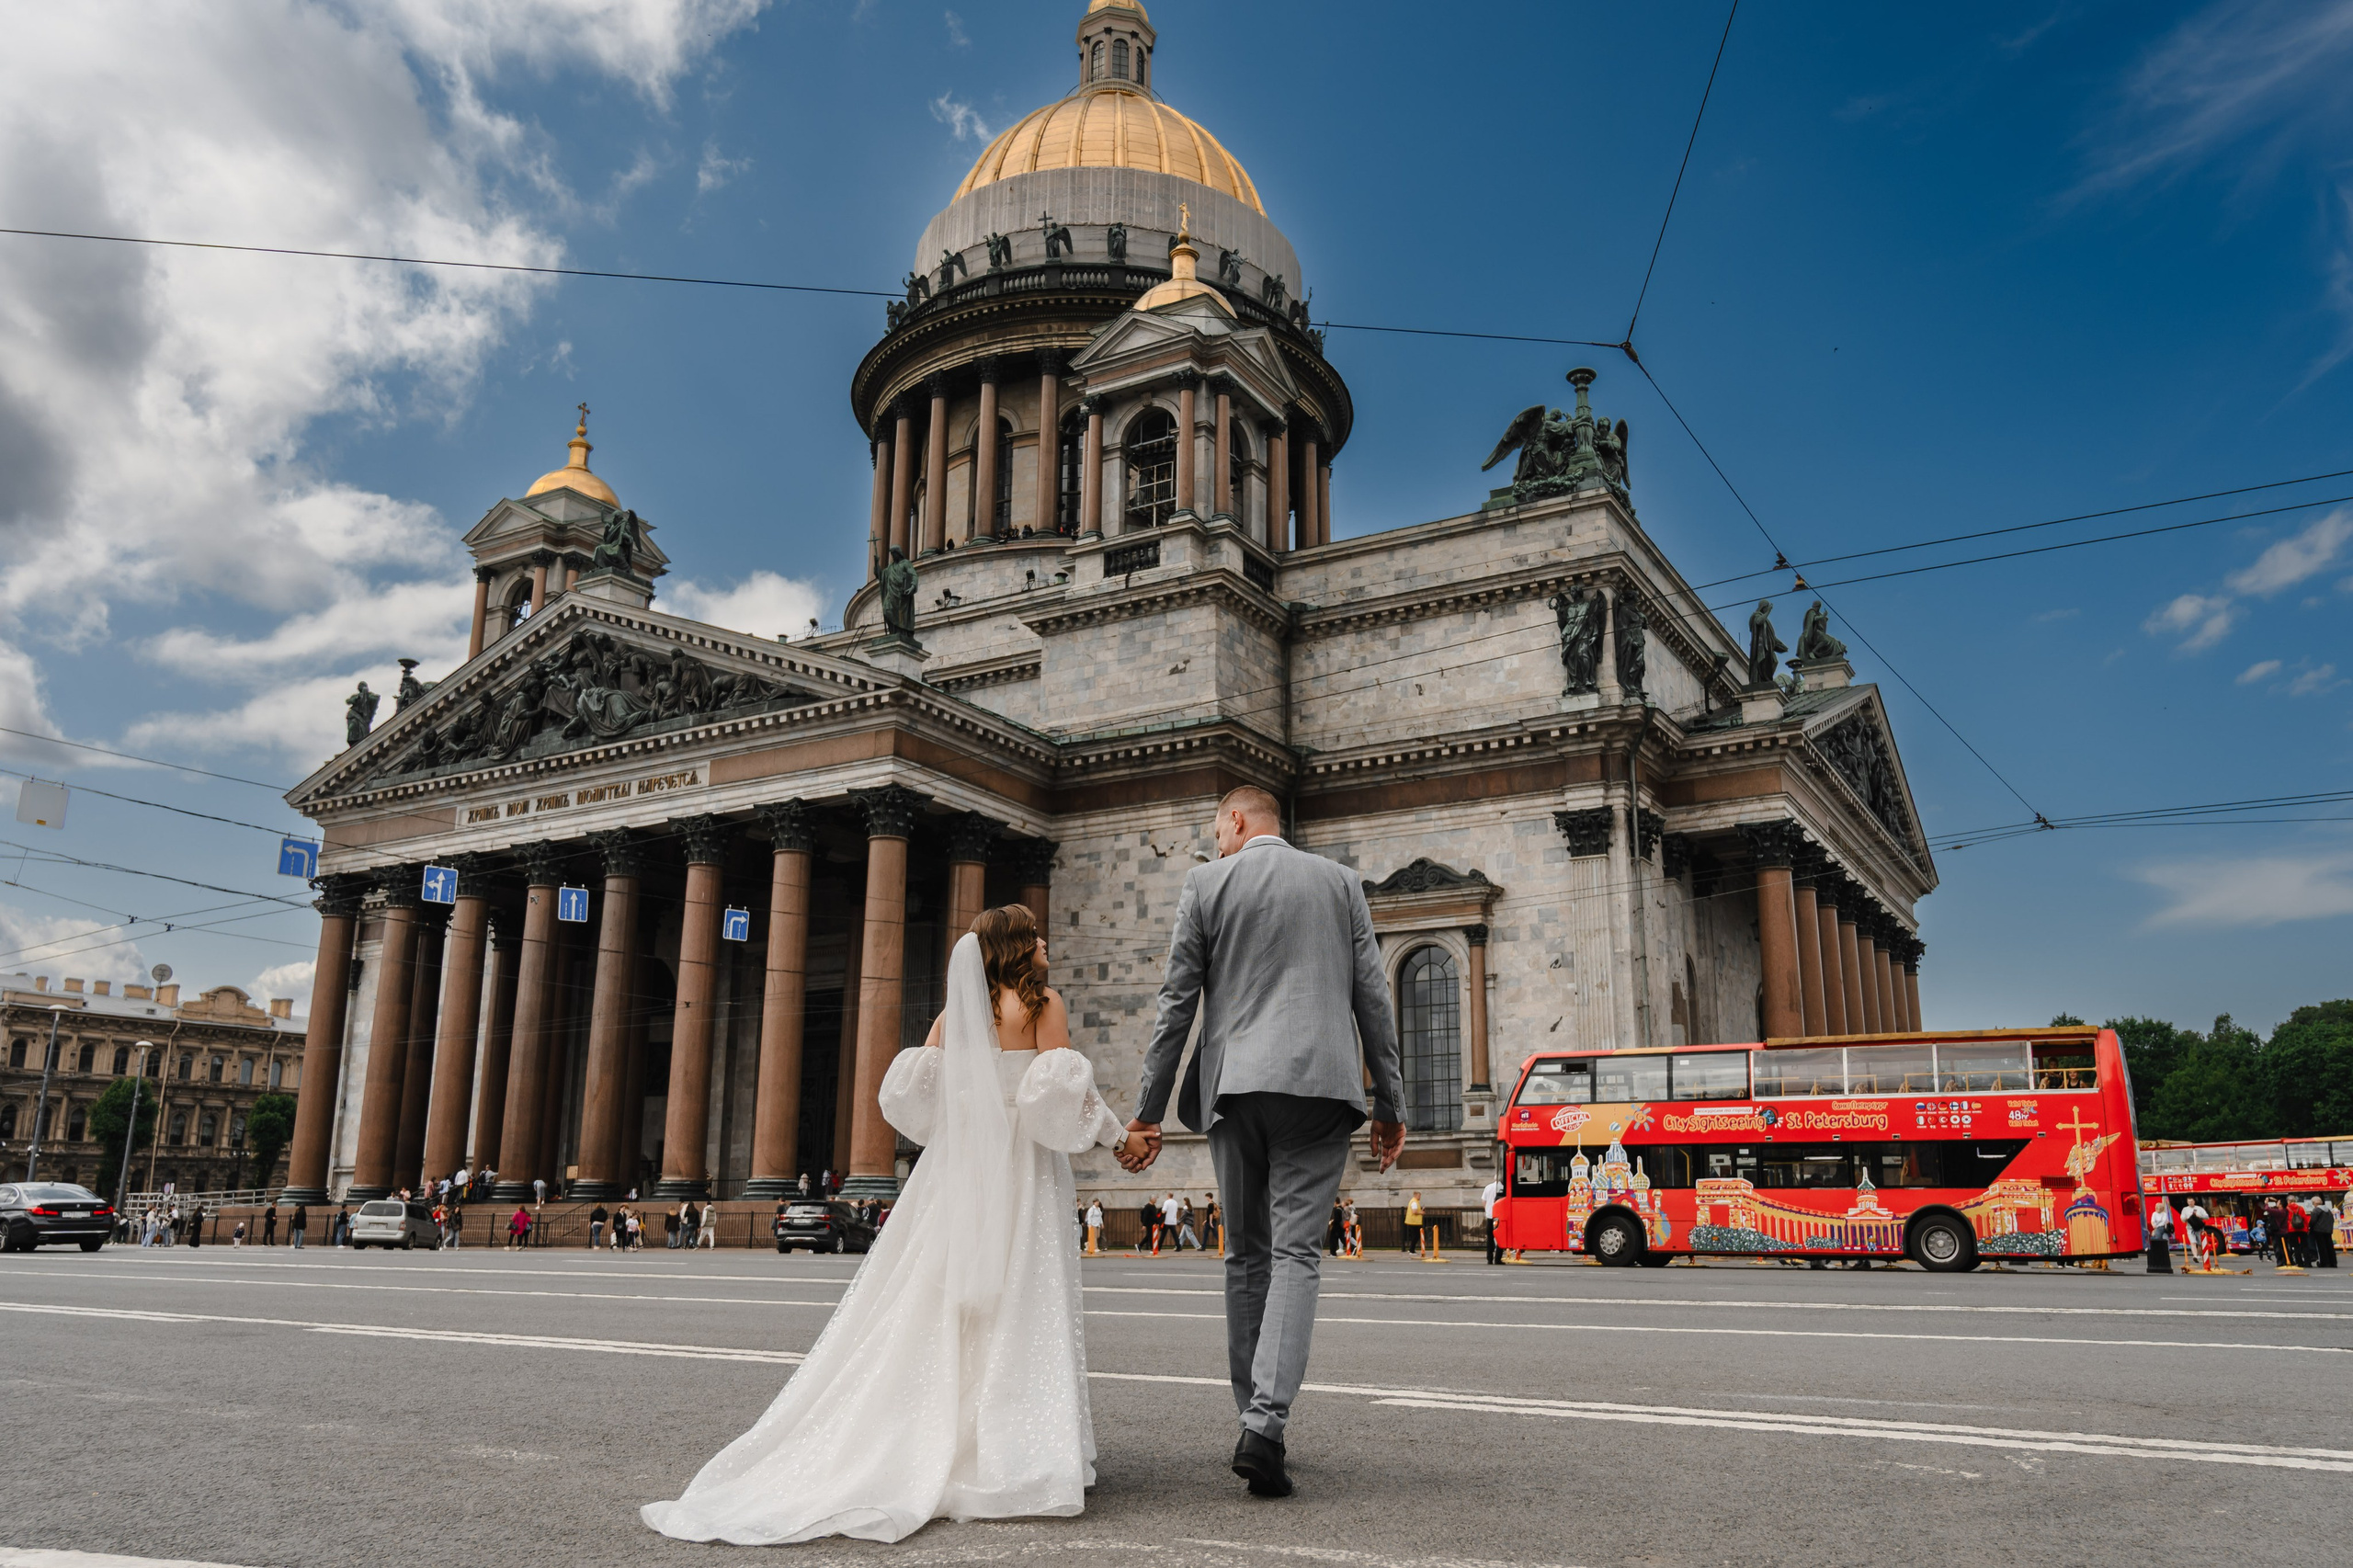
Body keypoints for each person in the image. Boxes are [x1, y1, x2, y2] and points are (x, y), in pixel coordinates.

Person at [642, 905, 1149, 1545]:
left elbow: (913, 1100)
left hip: (956, 1172)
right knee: (1020, 1298)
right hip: (1021, 1168)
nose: (1046, 941)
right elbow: (1059, 1102)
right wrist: (1121, 1138)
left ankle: (931, 1435)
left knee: (937, 1296)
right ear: (1017, 948)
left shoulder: (954, 1016)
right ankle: (1012, 1453)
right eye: (1036, 932)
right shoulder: (1042, 1003)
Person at [1129, 785, 1405, 1499]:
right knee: (1295, 1255)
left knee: (1244, 1255)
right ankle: (1264, 1423)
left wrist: (1147, 1111)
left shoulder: (1205, 884)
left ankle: (1251, 1418)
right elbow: (1372, 997)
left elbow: (1176, 1005)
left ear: (1239, 820)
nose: (1214, 841)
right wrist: (1392, 1104)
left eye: (1215, 828)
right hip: (1318, 1089)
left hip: (1234, 1091)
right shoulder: (1341, 884)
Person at [1482, 1174, 1505, 1264]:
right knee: (1500, 1238)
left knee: (1490, 1238)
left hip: (1490, 1216)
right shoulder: (1503, 1187)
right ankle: (1497, 1258)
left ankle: (1489, 1258)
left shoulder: (1488, 1187)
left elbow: (1484, 1201)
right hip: (1499, 1217)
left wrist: (1487, 1211)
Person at [1404, 1191, 1425, 1256]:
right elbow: (1414, 1211)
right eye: (1419, 1196)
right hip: (1414, 1222)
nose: (1420, 1197)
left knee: (1414, 1236)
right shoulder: (1414, 1202)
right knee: (1416, 1236)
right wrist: (1421, 1212)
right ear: (1415, 1195)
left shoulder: (1414, 1201)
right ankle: (1411, 1250)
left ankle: (1411, 1249)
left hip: (1413, 1221)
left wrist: (1421, 1210)